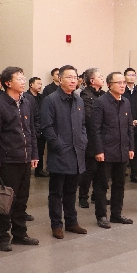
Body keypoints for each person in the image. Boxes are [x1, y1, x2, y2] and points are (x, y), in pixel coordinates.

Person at [0, 67, 39, 251]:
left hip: (24, 158)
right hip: (7, 160)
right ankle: (2, 237)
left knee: (22, 199)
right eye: (19, 79)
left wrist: (34, 154)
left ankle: (20, 234)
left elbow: (31, 131)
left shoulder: (27, 101)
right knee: (6, 201)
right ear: (8, 83)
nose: (23, 82)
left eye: (24, 78)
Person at [40, 65, 87, 239]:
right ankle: (56, 225)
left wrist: (83, 140)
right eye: (69, 77)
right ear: (60, 80)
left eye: (75, 77)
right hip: (60, 152)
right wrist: (58, 145)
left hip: (76, 152)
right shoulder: (51, 100)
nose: (73, 80)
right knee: (56, 192)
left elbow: (83, 125)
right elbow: (46, 127)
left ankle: (71, 222)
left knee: (71, 190)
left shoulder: (79, 100)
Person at [90, 72, 134, 228]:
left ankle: (116, 214)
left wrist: (131, 147)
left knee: (119, 184)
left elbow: (129, 127)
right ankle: (101, 215)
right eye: (118, 82)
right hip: (106, 151)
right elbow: (95, 129)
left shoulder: (126, 102)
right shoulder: (100, 102)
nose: (122, 85)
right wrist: (98, 150)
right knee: (102, 185)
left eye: (123, 82)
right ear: (109, 85)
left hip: (122, 150)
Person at [78, 68, 105, 208]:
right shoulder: (85, 96)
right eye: (100, 77)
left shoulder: (103, 94)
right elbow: (89, 117)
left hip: (103, 136)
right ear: (92, 81)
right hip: (90, 137)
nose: (103, 79)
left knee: (102, 170)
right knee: (89, 169)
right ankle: (83, 196)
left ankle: (97, 195)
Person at [123, 67, 137, 183]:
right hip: (124, 125)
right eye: (129, 75)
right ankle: (122, 171)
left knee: (135, 150)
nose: (131, 77)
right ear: (124, 77)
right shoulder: (122, 91)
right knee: (124, 149)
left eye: (133, 75)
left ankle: (134, 174)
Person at [27, 76, 48, 177]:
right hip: (30, 127)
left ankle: (39, 170)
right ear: (31, 85)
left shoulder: (42, 97)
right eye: (38, 83)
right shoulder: (26, 97)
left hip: (40, 127)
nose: (40, 86)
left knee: (40, 150)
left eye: (41, 84)